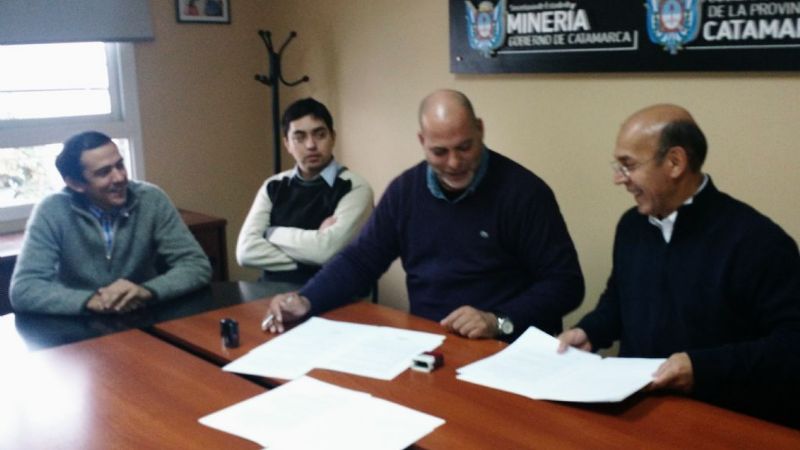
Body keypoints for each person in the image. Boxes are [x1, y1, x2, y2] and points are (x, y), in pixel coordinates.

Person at [263, 89, 584, 341]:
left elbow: (566, 284)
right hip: (432, 344)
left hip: (507, 347)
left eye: (465, 147)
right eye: (440, 152)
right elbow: (361, 260)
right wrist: (306, 300)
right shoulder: (405, 192)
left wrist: (496, 321)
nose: (455, 163)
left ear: (480, 130)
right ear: (422, 142)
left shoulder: (523, 193)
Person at [557, 104, 800, 426]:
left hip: (723, 418)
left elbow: (791, 347)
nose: (619, 179)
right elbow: (620, 298)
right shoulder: (632, 226)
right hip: (635, 411)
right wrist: (590, 330)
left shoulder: (759, 242)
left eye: (628, 166)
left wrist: (699, 367)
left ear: (675, 162)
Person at [10, 131, 212, 315]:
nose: (120, 177)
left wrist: (146, 291)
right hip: (80, 322)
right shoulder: (52, 210)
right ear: (75, 183)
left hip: (143, 313)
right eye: (104, 172)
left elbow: (196, 265)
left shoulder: (152, 199)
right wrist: (90, 301)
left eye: (120, 165)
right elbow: (25, 288)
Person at [236, 98, 374, 286]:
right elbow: (246, 252)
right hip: (269, 295)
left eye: (320, 134)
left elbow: (325, 251)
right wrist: (313, 255)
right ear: (287, 144)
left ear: (333, 137)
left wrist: (271, 233)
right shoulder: (273, 186)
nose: (311, 145)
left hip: (331, 297)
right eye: (299, 137)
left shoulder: (355, 188)